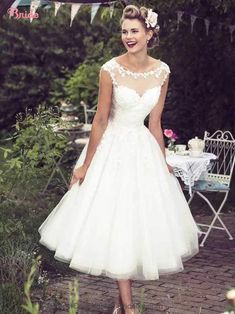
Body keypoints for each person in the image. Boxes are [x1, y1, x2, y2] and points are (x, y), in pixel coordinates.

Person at [38, 4, 201, 314]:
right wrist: (86, 164)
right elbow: (100, 120)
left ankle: (120, 301)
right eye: (124, 31)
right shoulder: (109, 70)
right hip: (112, 149)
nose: (128, 36)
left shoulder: (162, 71)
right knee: (118, 222)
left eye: (134, 31)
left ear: (149, 33)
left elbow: (155, 124)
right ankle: (128, 308)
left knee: (137, 227)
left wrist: (163, 160)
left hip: (142, 150)